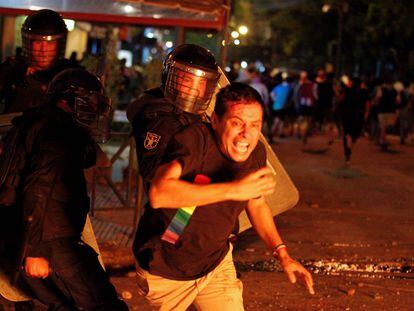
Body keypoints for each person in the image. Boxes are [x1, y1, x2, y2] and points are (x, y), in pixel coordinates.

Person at [134, 83, 315, 311]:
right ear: (216, 121)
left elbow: (257, 204)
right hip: (166, 269)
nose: (246, 134)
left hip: (216, 263)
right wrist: (234, 189)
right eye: (237, 123)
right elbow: (160, 194)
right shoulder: (196, 140)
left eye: (255, 125)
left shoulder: (255, 151)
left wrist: (283, 254)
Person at [0, 68, 128, 310]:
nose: (95, 111)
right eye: (90, 103)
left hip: (25, 239)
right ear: (67, 100)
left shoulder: (36, 123)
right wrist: (35, 250)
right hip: (51, 242)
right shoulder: (57, 133)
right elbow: (40, 189)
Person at [127, 44, 221, 187]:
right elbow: (153, 175)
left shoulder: (195, 115)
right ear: (170, 77)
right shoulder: (160, 117)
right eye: (187, 80)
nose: (194, 89)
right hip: (174, 203)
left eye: (201, 82)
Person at [0, 9, 80, 114]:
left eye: (50, 44)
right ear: (28, 42)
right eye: (38, 42)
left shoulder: (71, 75)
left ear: (59, 44)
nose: (43, 50)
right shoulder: (12, 69)